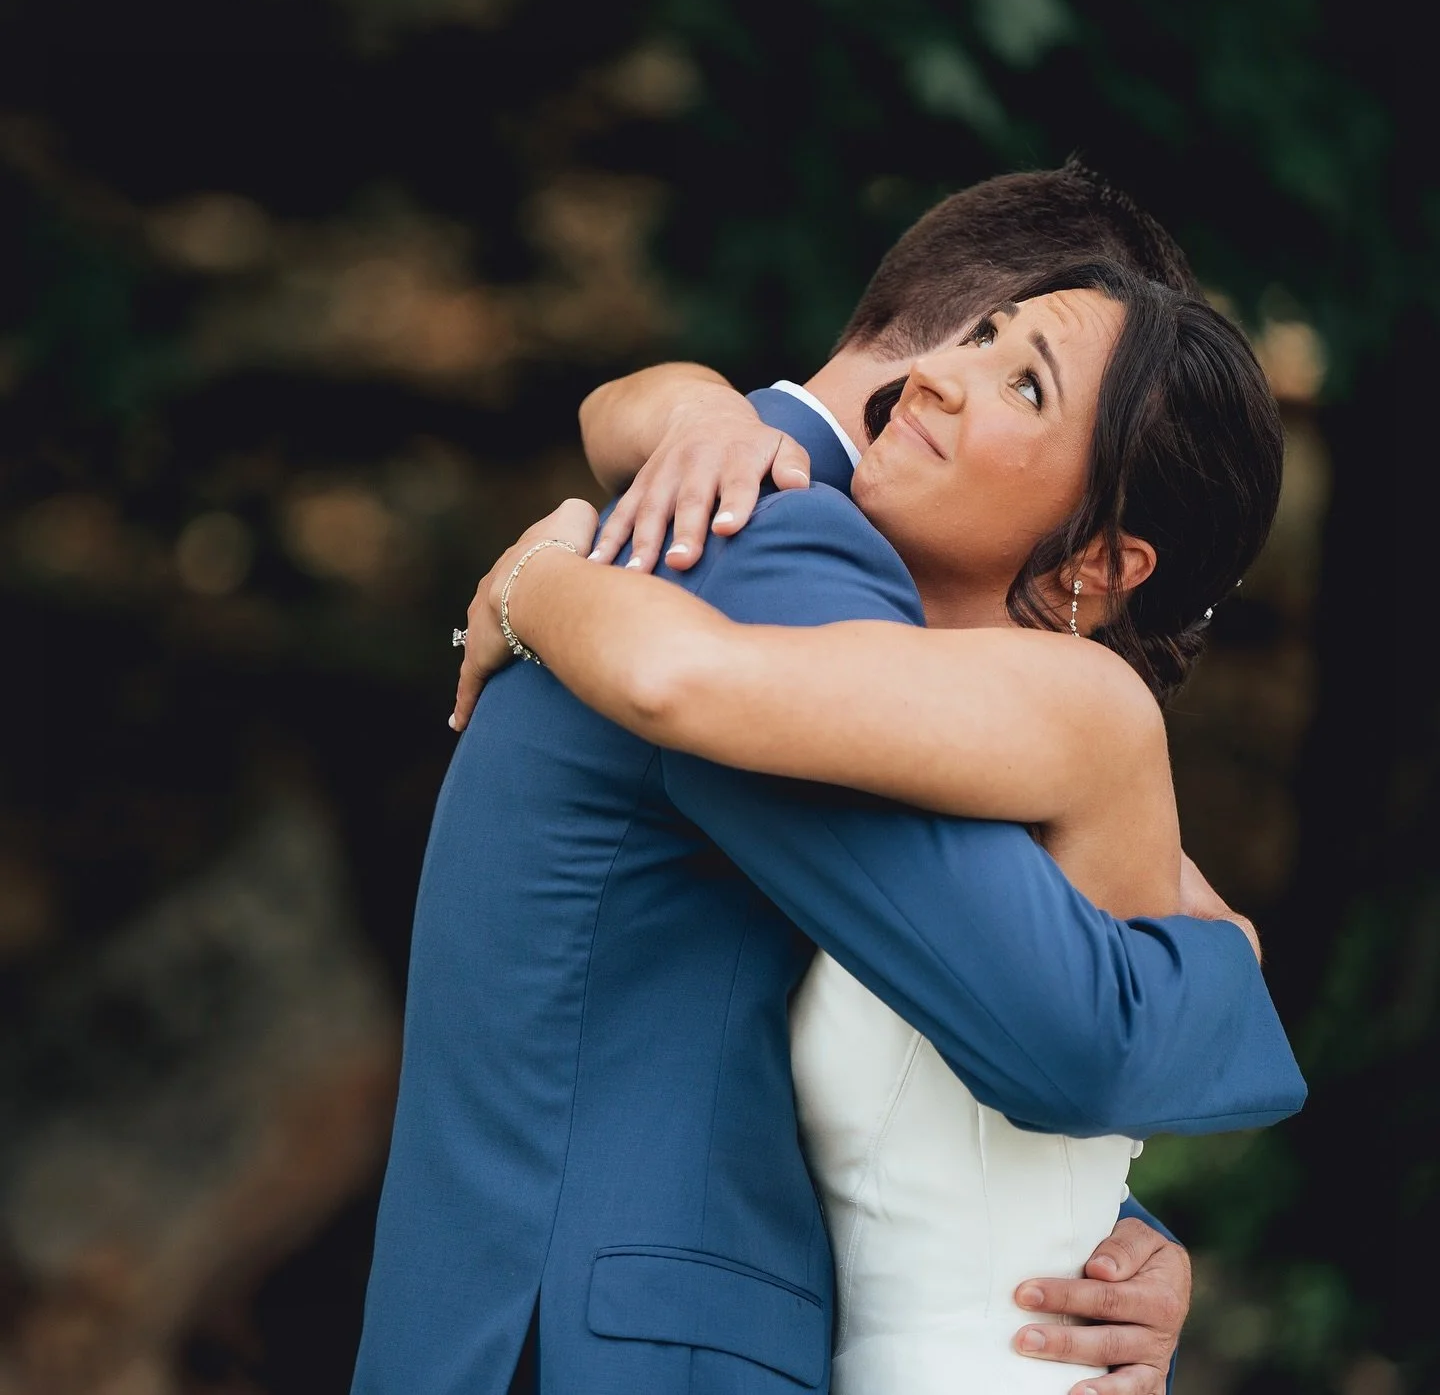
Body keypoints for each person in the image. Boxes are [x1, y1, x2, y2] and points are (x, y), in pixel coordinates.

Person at [352, 165, 1305, 1395]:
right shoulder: (779, 537)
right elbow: (1074, 1033)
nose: (955, 377)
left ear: (1103, 552)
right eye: (987, 339)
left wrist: (1109, 1230)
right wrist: (1228, 969)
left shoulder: (747, 520)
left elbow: (975, 1006)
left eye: (1028, 381)